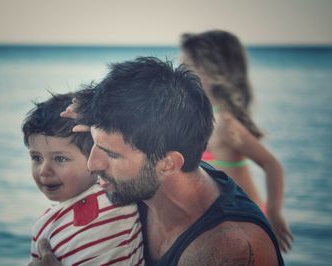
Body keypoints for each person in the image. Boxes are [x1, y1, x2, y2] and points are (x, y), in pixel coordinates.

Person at [34, 57, 284, 265]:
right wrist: (96, 110)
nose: (92, 164)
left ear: (169, 163)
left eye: (111, 154)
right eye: (94, 142)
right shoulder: (155, 171)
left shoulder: (226, 250)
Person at [180, 30, 293, 252]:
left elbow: (272, 164)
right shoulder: (199, 117)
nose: (180, 73)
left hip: (247, 219)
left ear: (213, 73)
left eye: (188, 66)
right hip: (223, 220)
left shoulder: (225, 123)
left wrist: (274, 212)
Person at [21, 92, 144, 266]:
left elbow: (136, 131)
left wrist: (96, 115)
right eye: (36, 158)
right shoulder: (44, 229)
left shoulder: (117, 192)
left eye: (60, 158)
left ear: (95, 155)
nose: (44, 171)